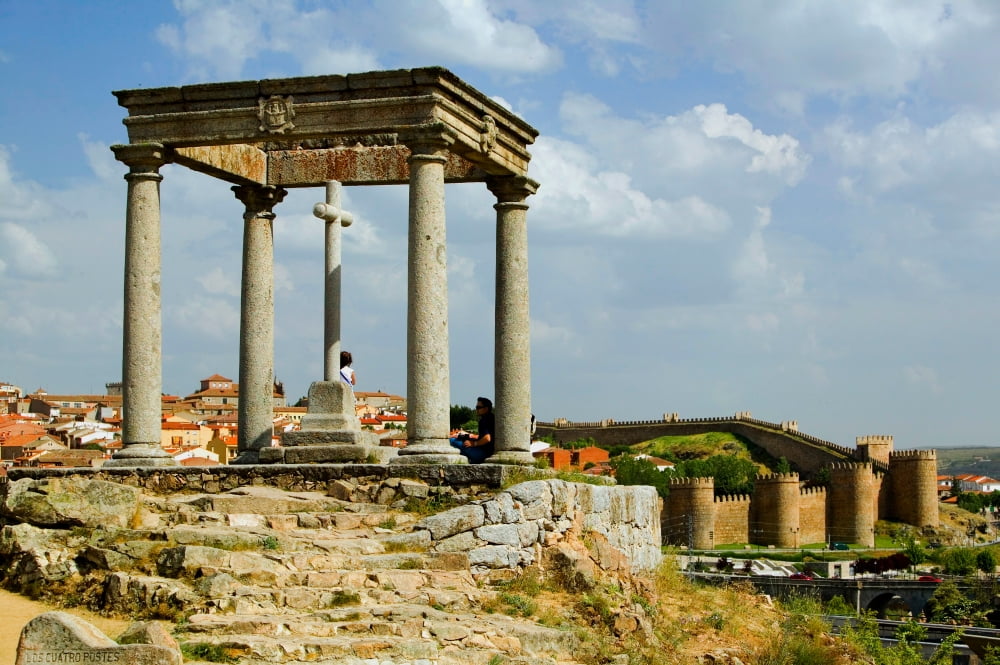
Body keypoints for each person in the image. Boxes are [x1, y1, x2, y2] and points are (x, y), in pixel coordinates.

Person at [450, 397, 494, 464]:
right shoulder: (492, 417)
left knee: (452, 440)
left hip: (482, 454)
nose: (476, 409)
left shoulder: (484, 420)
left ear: (486, 408)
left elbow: (487, 438)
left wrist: (473, 443)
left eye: (479, 407)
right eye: (476, 407)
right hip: (490, 454)